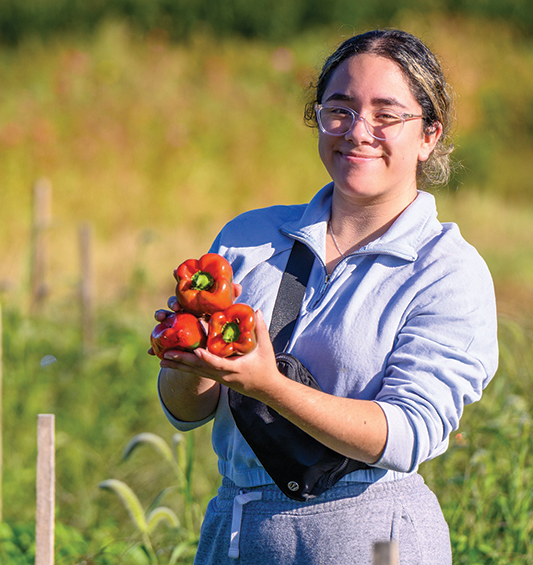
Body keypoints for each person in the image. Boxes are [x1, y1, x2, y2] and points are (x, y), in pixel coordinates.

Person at [155, 29, 498, 564]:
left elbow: (407, 434)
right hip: (236, 527)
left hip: (370, 535)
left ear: (429, 135)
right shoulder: (248, 239)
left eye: (387, 114)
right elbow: (186, 413)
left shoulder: (447, 271)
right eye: (339, 109)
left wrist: (270, 387)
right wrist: (188, 359)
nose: (359, 131)